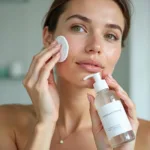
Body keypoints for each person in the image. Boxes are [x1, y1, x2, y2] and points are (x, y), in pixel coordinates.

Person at [0, 0, 142, 149]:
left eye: (111, 36)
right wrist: (45, 124)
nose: (95, 46)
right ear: (49, 38)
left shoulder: (144, 137)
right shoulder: (5, 122)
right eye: (78, 28)